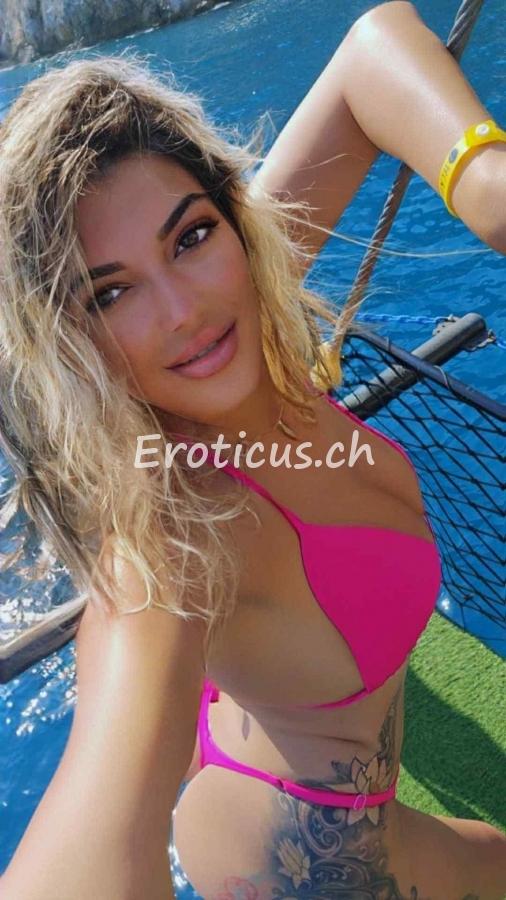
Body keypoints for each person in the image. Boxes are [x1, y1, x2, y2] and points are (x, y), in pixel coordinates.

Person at [0, 2, 505, 898]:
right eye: (108, 295)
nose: (181, 311)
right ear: (74, 346)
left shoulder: (249, 307)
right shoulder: (174, 535)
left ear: (235, 221)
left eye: (190, 235)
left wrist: (489, 188)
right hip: (317, 864)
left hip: (255, 762)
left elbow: (372, 52)